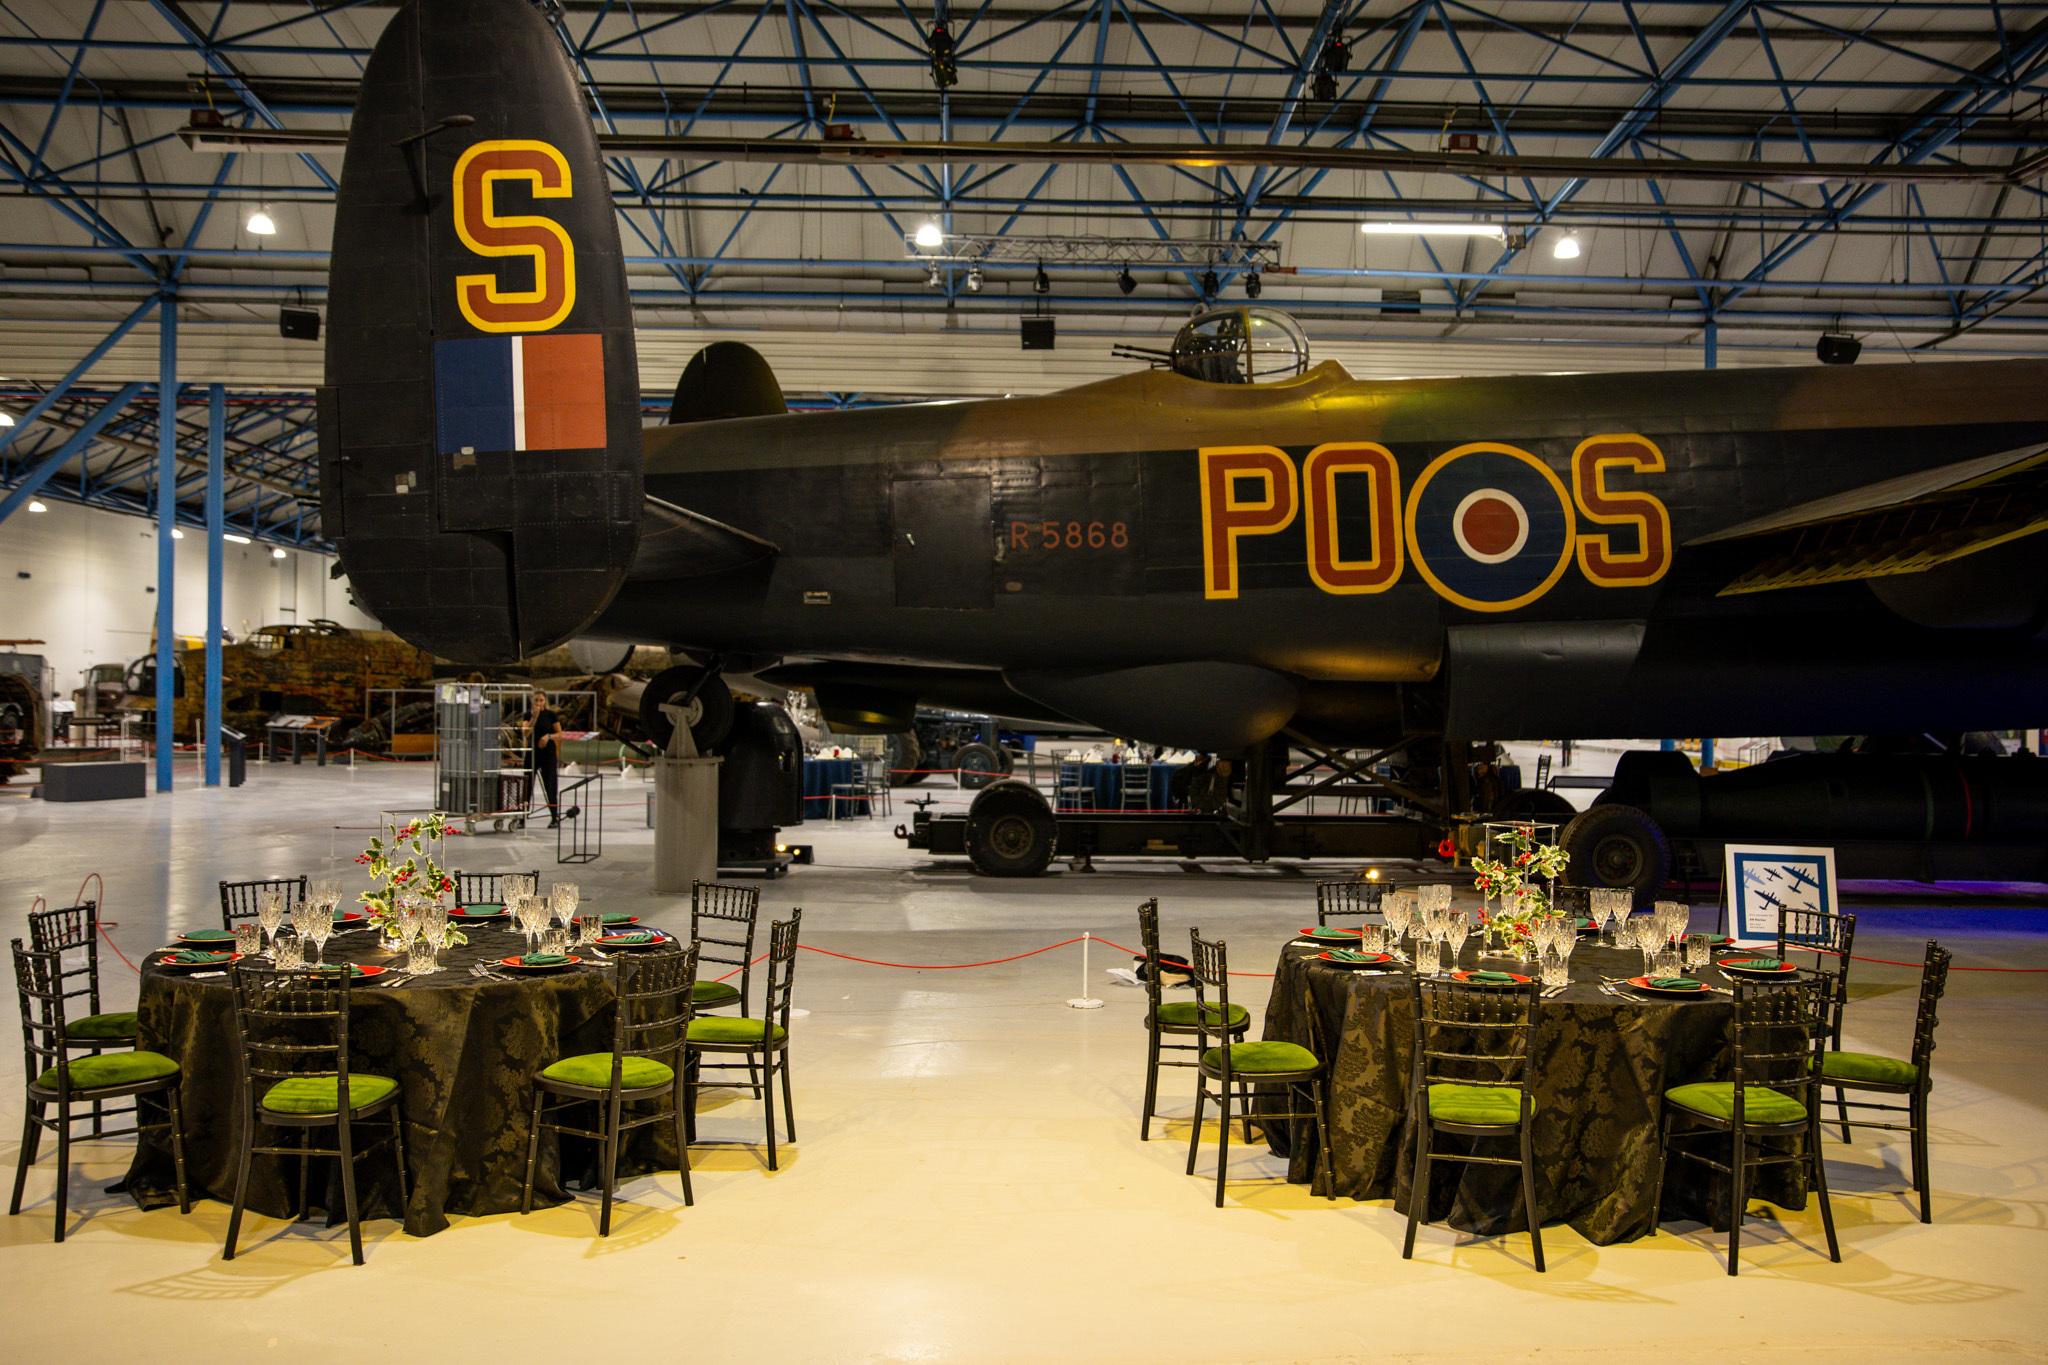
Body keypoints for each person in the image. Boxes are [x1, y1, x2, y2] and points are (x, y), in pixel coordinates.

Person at [525, 690, 579, 827]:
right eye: (536, 700)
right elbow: (525, 733)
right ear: (532, 701)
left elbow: (560, 734)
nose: (538, 703)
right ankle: (521, 818)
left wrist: (548, 736)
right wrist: (534, 718)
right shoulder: (527, 715)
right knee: (526, 786)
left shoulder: (551, 715)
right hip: (532, 754)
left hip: (548, 754)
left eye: (541, 700)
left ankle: (554, 817)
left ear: (545, 701)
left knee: (550, 785)